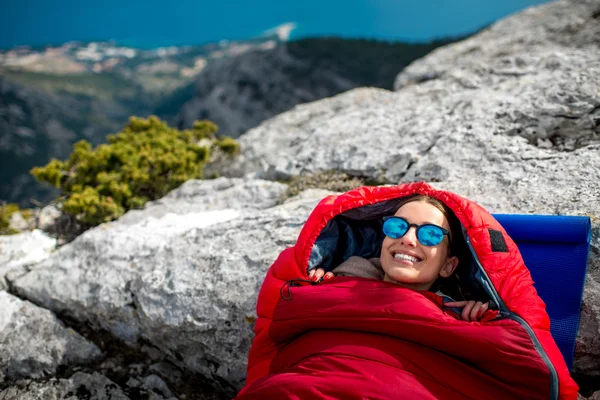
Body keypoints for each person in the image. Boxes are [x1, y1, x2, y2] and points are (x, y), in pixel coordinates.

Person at [308, 194, 490, 322]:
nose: (407, 239)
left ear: (448, 266)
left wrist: (475, 318)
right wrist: (314, 286)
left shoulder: (454, 315)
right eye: (397, 226)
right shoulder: (334, 280)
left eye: (430, 234)